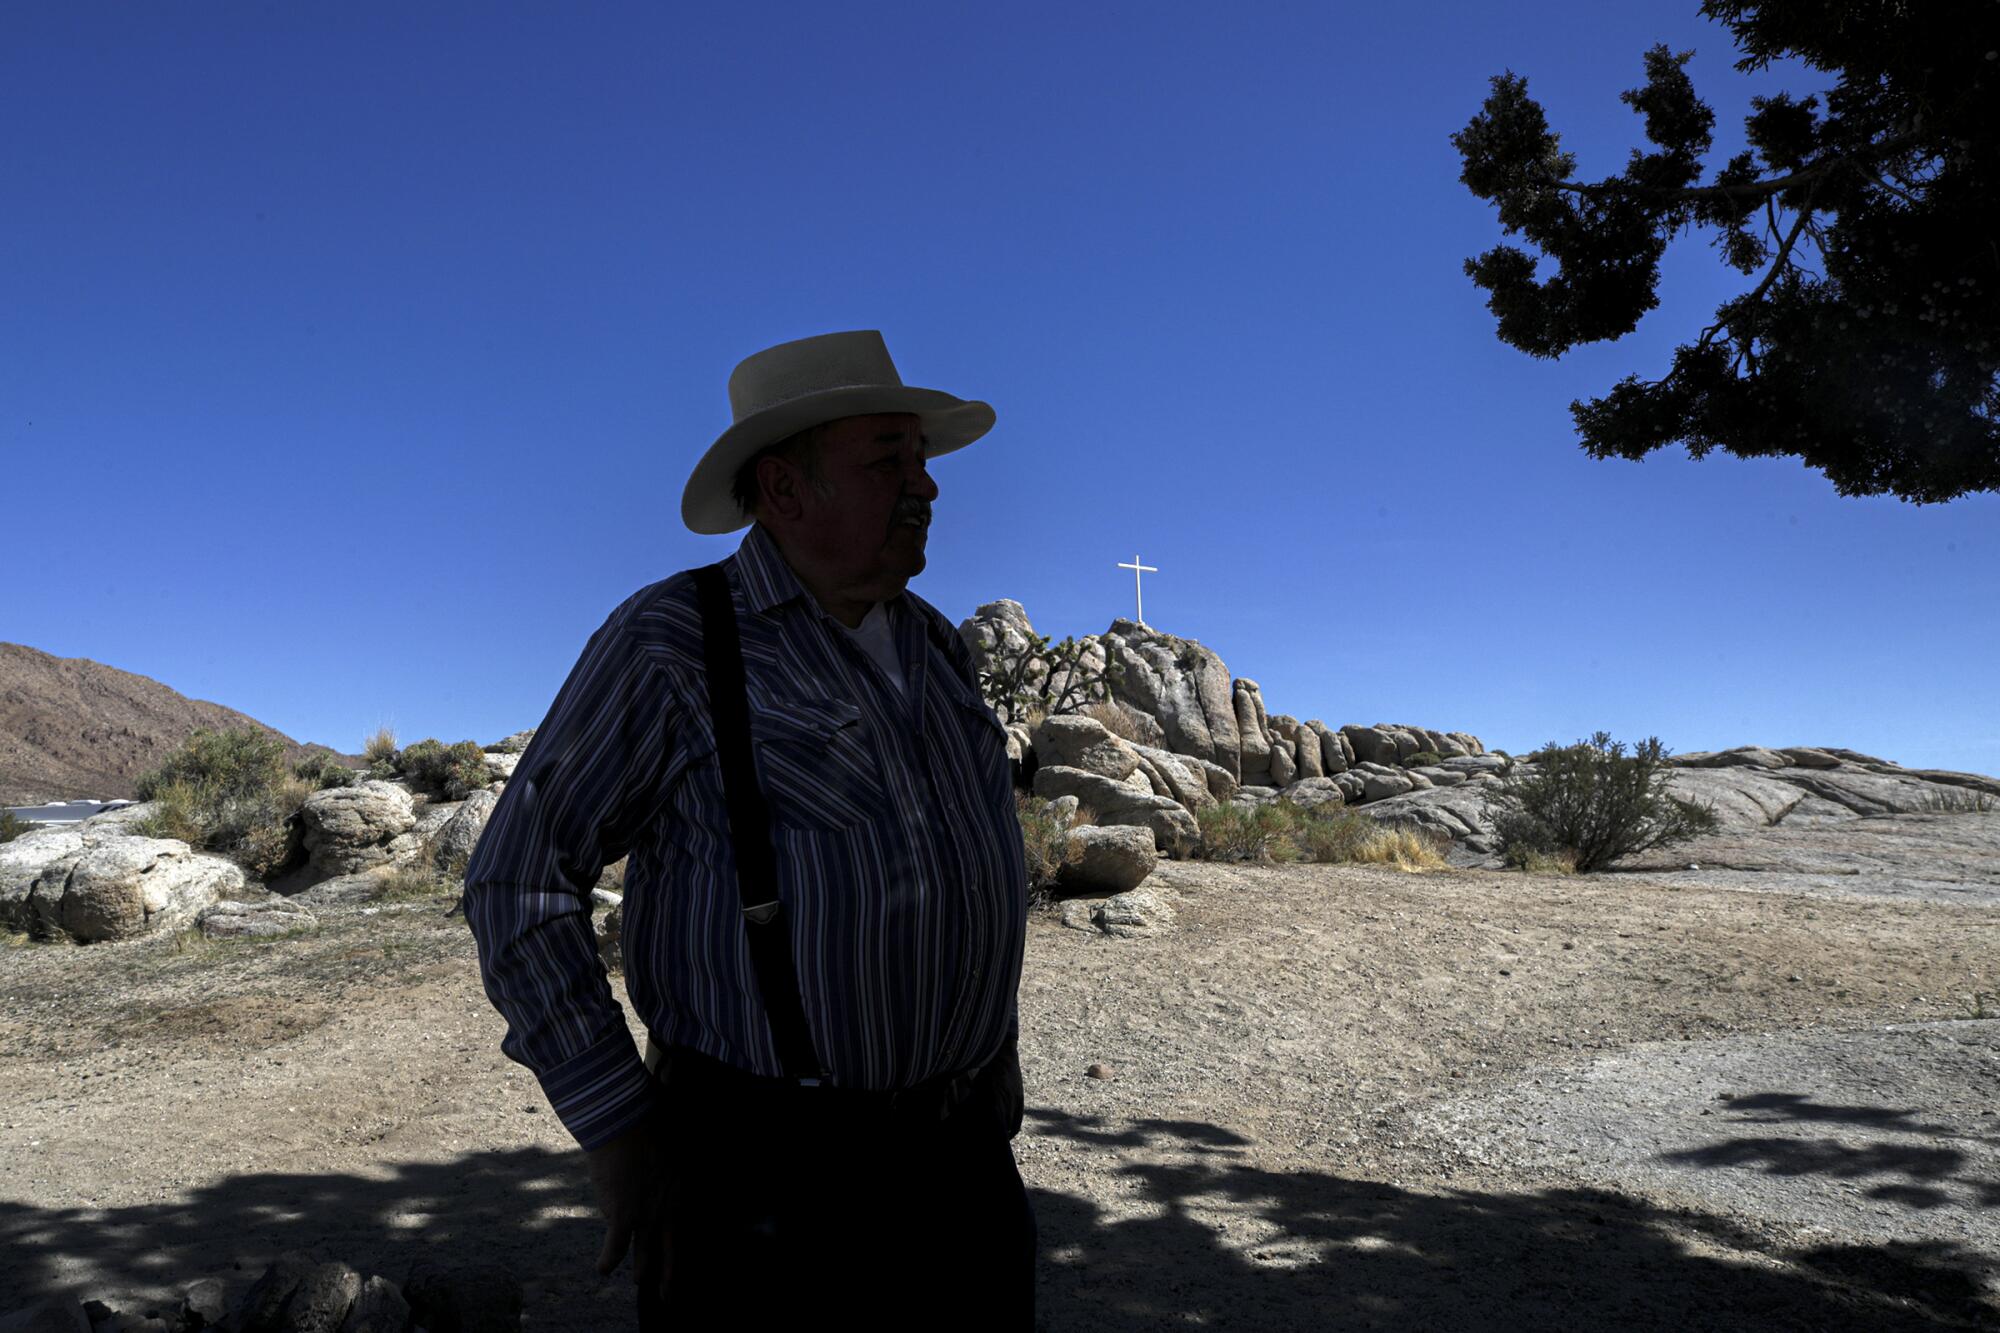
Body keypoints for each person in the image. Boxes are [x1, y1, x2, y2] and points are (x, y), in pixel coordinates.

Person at [461, 329, 1034, 1328]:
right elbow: (518, 879)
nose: (925, 486)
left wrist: (992, 1067)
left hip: (963, 1163)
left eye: (922, 456)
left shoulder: (940, 647)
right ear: (781, 490)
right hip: (761, 1181)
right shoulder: (674, 641)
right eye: (886, 457)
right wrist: (617, 1128)